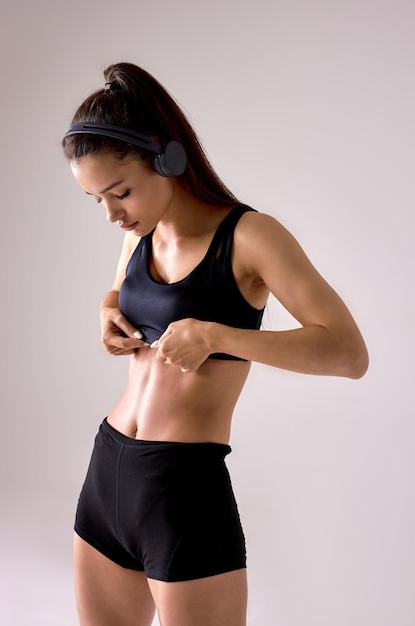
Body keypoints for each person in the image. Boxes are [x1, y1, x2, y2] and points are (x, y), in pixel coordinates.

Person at [62, 61, 369, 626]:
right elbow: (117, 291)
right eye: (96, 200)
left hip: (183, 488)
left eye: (120, 192)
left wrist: (221, 337)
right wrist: (107, 313)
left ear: (166, 157)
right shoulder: (142, 233)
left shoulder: (251, 237)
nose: (111, 214)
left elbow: (349, 354)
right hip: (107, 473)